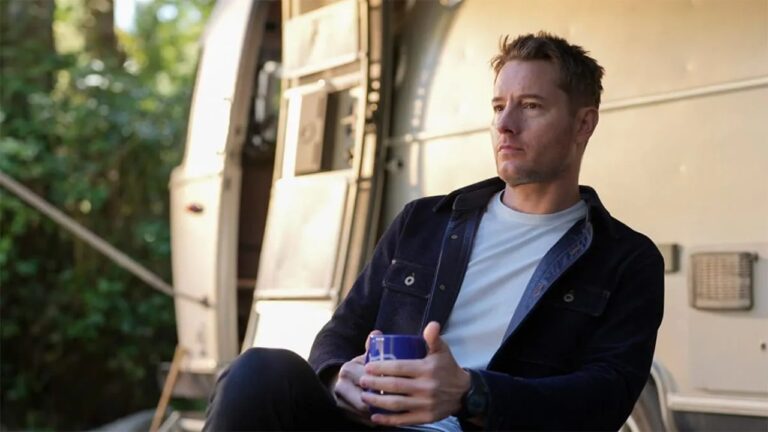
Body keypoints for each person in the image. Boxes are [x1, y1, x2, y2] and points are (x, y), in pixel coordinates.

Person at [204, 31, 664, 431]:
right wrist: (335, 376)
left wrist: (471, 393)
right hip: (371, 424)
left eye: (531, 106)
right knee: (258, 372)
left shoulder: (625, 260)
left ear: (583, 124)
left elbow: (604, 399)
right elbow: (341, 332)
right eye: (499, 106)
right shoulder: (424, 221)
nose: (505, 124)